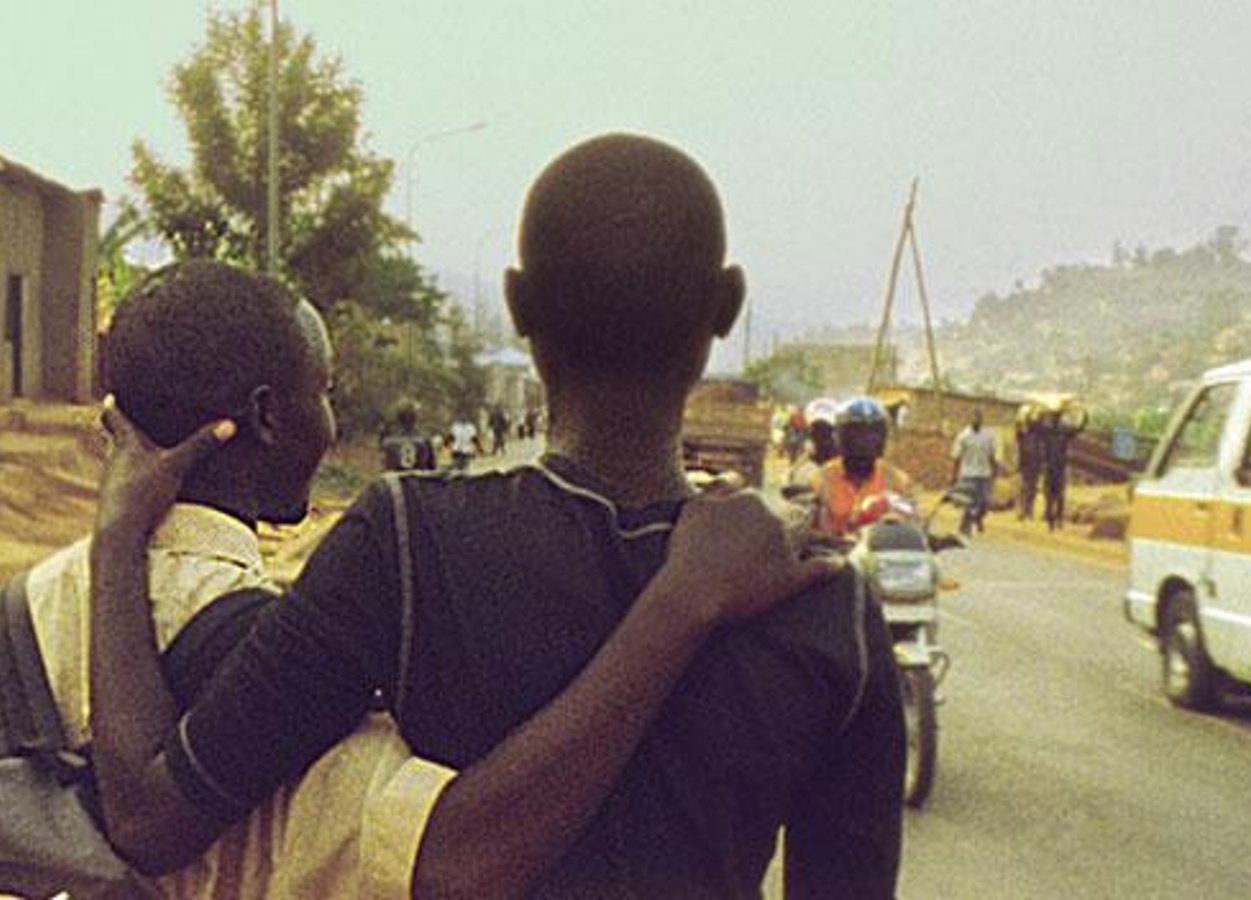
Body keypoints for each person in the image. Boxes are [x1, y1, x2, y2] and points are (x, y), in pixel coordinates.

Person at [92, 134, 904, 898]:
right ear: (725, 306)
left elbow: (149, 819)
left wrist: (118, 535)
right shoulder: (824, 601)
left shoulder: (407, 545)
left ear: (517, 305)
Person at [0, 261, 466, 898]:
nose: (330, 424)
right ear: (266, 415)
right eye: (324, 392)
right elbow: (429, 858)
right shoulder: (289, 671)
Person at [812, 396, 914, 538]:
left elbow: (913, 527)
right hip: (834, 549)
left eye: (872, 434)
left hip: (881, 550)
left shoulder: (897, 481)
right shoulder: (822, 479)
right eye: (856, 434)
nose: (864, 442)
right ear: (840, 437)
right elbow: (808, 530)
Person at [950, 408, 999, 536]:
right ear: (970, 419)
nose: (976, 420)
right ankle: (964, 526)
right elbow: (956, 457)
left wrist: (995, 471)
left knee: (985, 502)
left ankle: (977, 518)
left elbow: (992, 455)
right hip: (968, 474)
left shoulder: (988, 436)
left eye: (978, 418)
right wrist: (953, 475)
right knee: (969, 502)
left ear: (982, 420)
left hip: (984, 473)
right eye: (974, 417)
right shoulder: (963, 436)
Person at [1039, 404, 1088, 532]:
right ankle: (1053, 519)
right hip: (1053, 468)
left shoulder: (1059, 432)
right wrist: (1084, 415)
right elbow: (1079, 428)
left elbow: (1079, 428)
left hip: (1056, 468)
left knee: (1056, 495)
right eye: (1055, 416)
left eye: (1056, 416)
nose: (1055, 419)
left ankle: (1056, 519)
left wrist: (1084, 414)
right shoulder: (1052, 432)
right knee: (1053, 495)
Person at [786, 396, 838, 488]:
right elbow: (810, 453)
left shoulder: (815, 431)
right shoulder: (835, 436)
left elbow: (810, 453)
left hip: (826, 474)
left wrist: (793, 469)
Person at [381, 401, 438, 472]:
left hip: (394, 477)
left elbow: (384, 464)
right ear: (415, 418)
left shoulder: (388, 441)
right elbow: (432, 465)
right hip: (420, 476)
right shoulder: (424, 439)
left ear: (399, 418)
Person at [1015, 406, 1044, 521]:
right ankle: (1023, 510)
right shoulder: (1023, 435)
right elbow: (1018, 428)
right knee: (1024, 488)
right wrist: (1023, 416)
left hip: (1034, 466)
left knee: (1031, 489)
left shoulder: (1039, 437)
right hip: (1026, 465)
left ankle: (1028, 510)